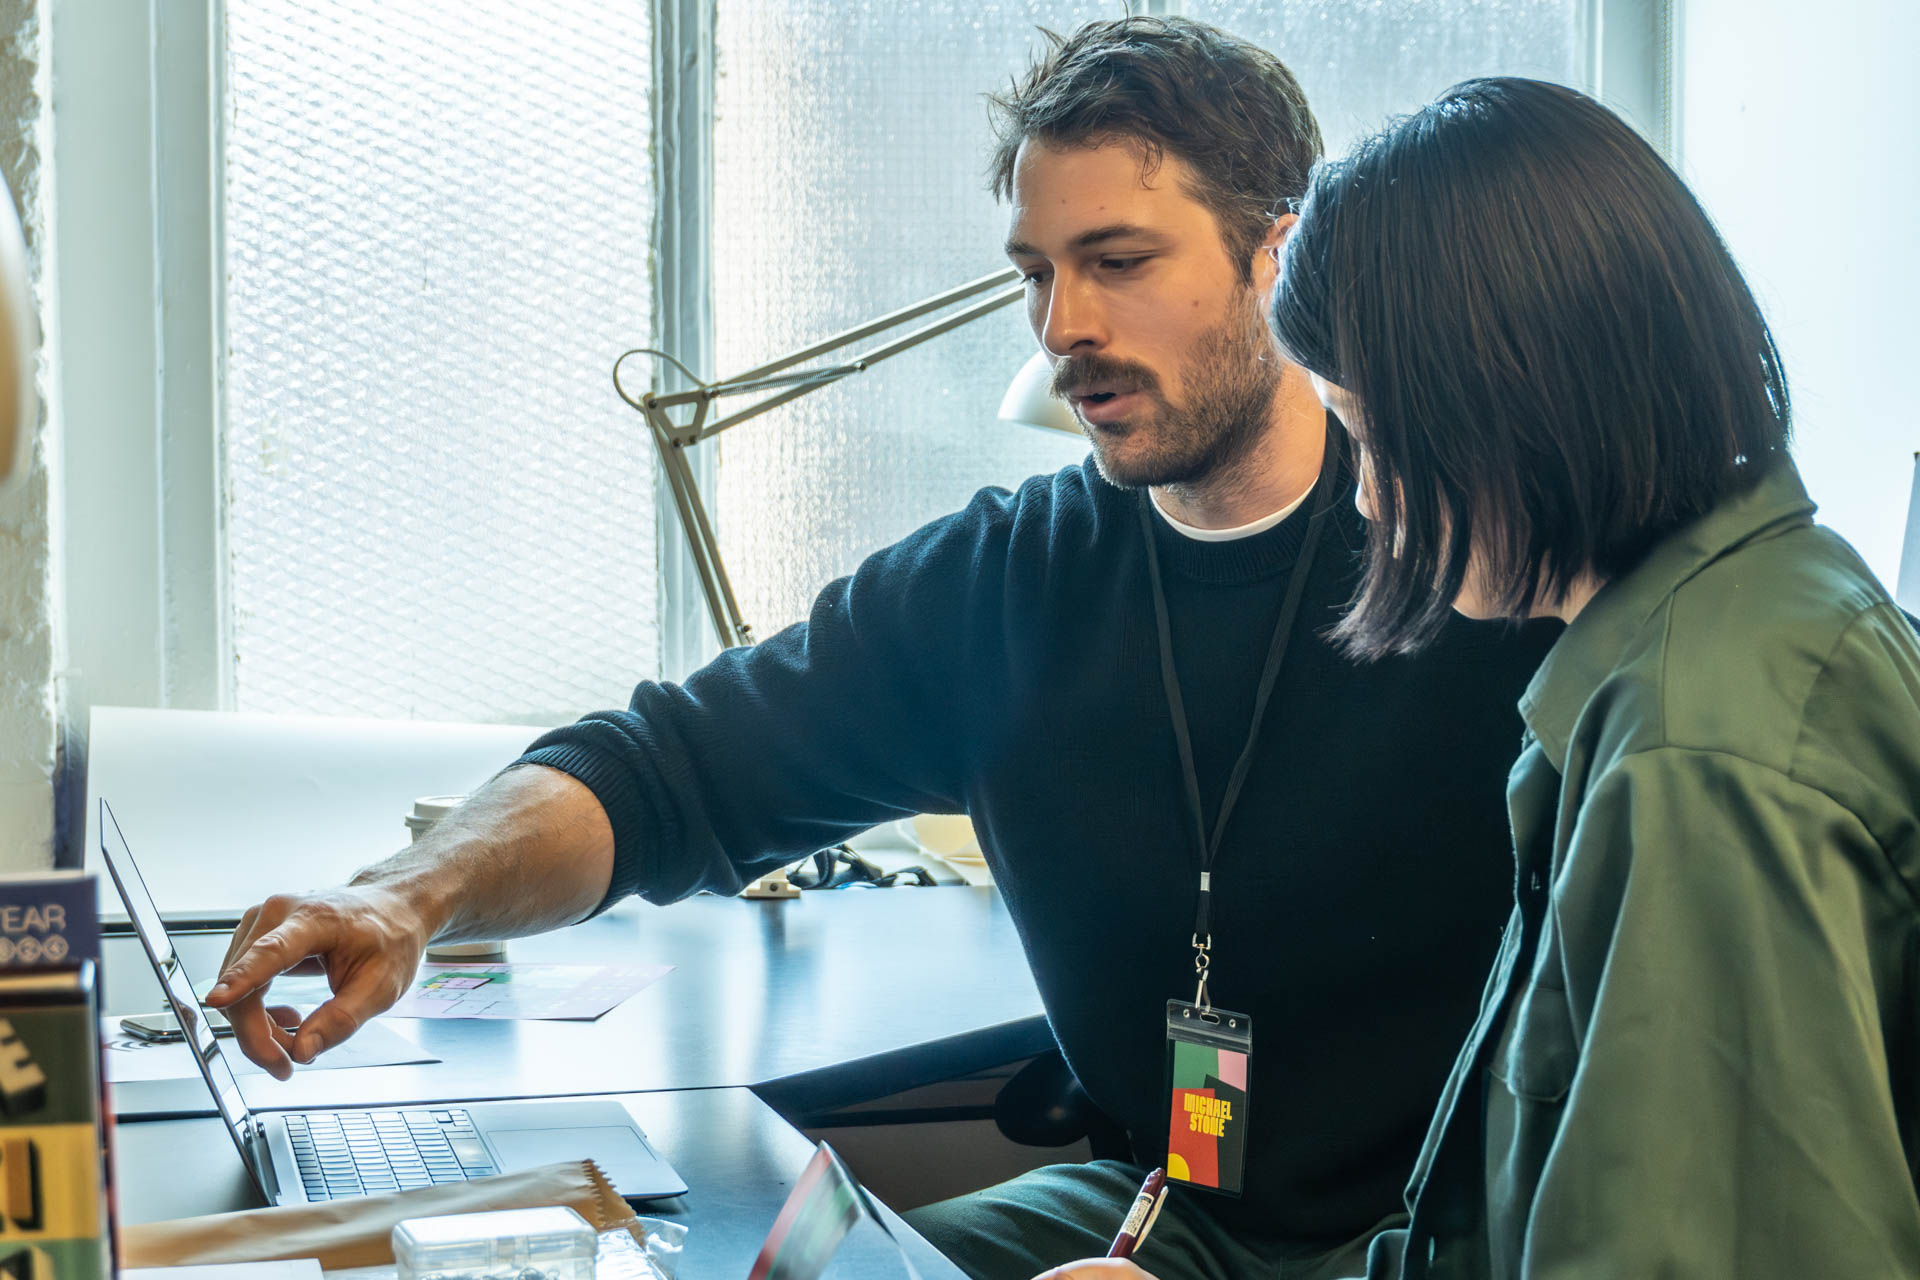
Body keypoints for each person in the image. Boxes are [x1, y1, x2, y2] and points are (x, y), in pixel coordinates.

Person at [208, 21, 1558, 1280]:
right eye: (1038, 272)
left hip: (1443, 1240)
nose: (1063, 323)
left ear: (1280, 256)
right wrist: (410, 895)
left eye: (1121, 261)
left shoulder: (1481, 563)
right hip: (1161, 1209)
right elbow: (669, 767)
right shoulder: (1005, 582)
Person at [1047, 74, 1920, 1279]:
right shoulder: (1733, 625)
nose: (1363, 491)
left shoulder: (1693, 753)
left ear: (1494, 406)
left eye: (1370, 430)